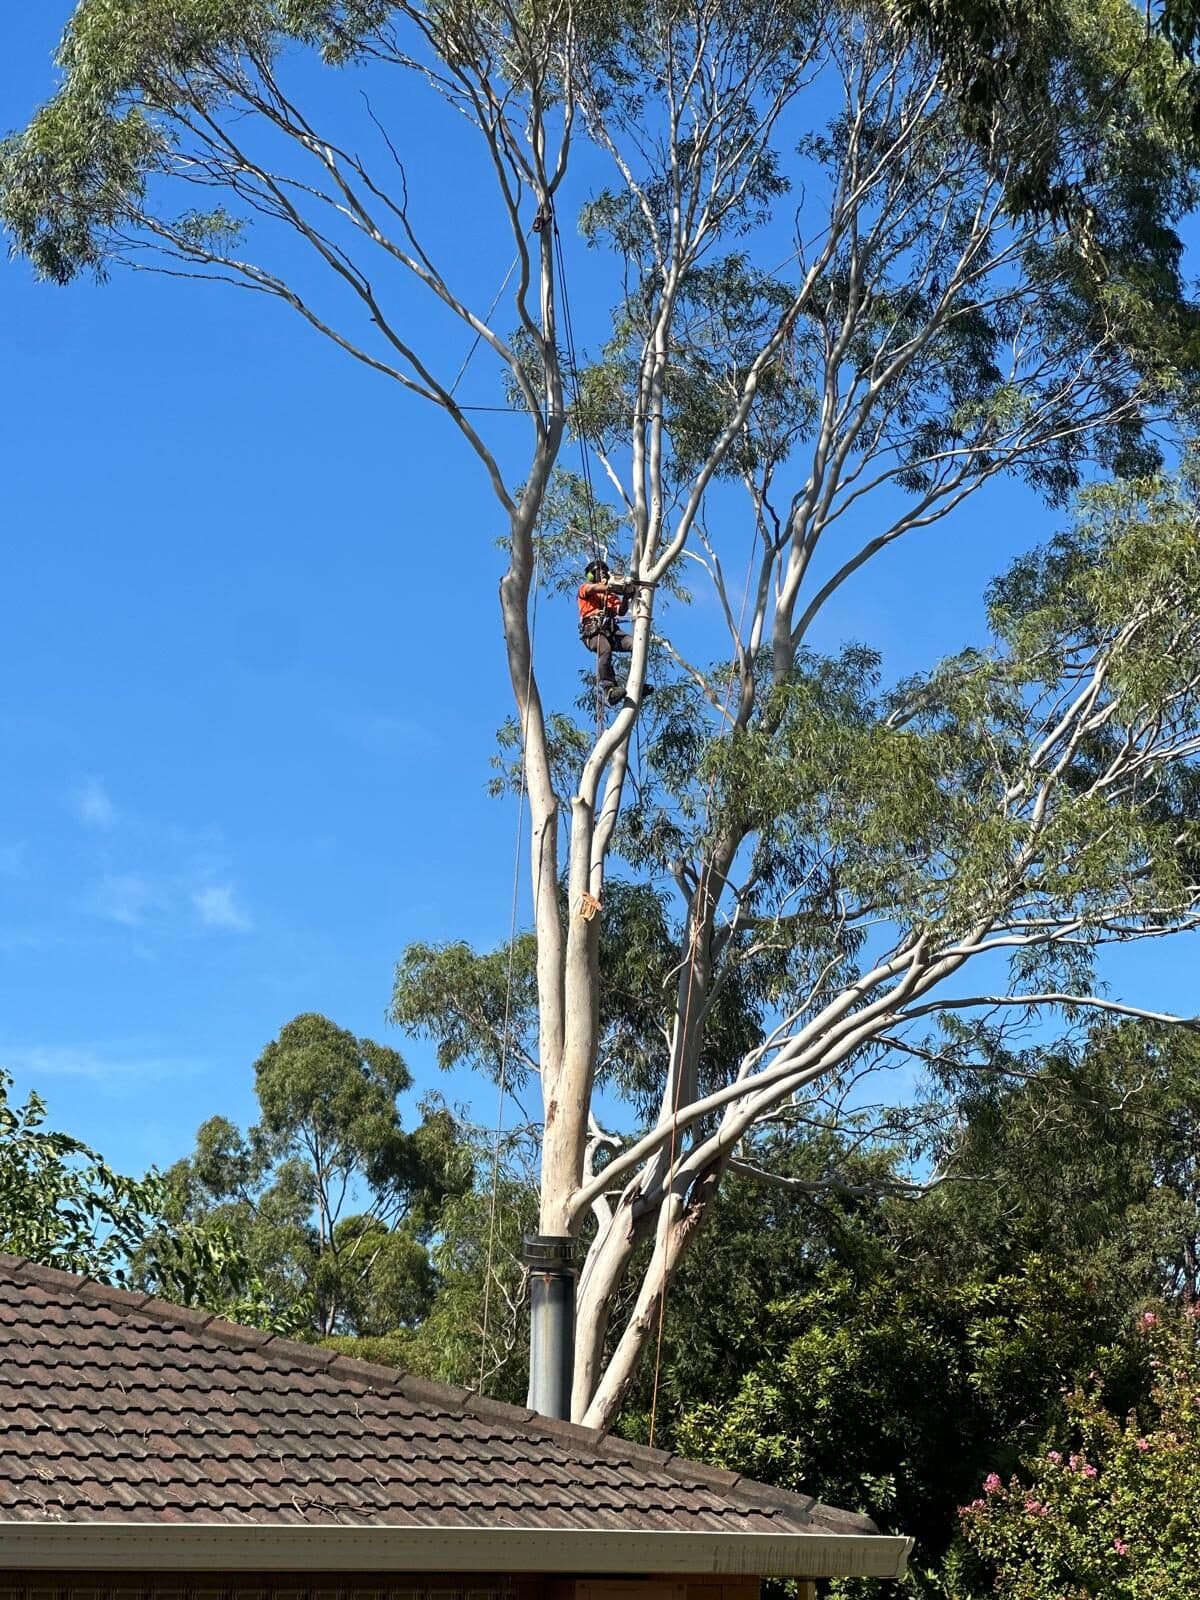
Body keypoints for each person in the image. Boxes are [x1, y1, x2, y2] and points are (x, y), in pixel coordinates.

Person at [578, 558, 644, 706]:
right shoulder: (586, 588)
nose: (602, 573)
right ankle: (609, 690)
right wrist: (610, 587)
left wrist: (626, 596)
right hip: (593, 631)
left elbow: (620, 611)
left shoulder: (611, 596)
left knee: (637, 644)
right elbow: (592, 589)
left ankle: (637, 682)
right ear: (591, 575)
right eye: (598, 571)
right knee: (605, 650)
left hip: (612, 631)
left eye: (604, 571)